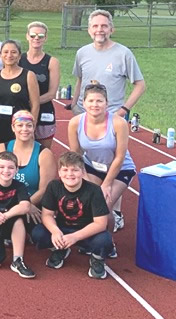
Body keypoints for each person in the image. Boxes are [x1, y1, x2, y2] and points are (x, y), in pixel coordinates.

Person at [68, 83, 136, 257]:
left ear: (107, 103)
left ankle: (108, 243)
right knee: (88, 204)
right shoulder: (75, 123)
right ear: (84, 102)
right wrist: (83, 177)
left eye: (99, 101)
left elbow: (120, 157)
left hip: (120, 168)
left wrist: (106, 184)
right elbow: (76, 154)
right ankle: (90, 240)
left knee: (104, 205)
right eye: (91, 101)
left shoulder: (119, 123)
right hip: (92, 166)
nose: (95, 105)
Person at [31, 151, 114, 280]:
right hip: (62, 228)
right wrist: (55, 231)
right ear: (59, 172)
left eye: (75, 170)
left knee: (105, 240)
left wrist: (75, 237)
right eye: (65, 170)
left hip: (87, 231)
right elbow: (47, 214)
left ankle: (97, 258)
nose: (69, 174)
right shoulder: (54, 186)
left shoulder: (94, 190)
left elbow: (101, 223)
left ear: (82, 172)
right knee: (38, 233)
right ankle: (59, 248)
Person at [69, 9, 145, 118]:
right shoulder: (82, 53)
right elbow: (80, 80)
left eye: (104, 26)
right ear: (89, 30)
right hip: (83, 115)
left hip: (111, 117)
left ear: (111, 29)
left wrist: (122, 111)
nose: (99, 30)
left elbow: (140, 85)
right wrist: (74, 105)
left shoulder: (123, 54)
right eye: (95, 26)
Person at [0, 110, 57, 229]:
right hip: (6, 202)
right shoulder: (2, 148)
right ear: (13, 127)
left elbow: (44, 189)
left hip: (33, 204)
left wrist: (26, 204)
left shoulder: (44, 154)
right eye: (20, 125)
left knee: (38, 234)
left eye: (29, 125)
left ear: (34, 128)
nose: (24, 129)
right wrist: (15, 208)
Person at [0, 40, 39, 145]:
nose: (9, 55)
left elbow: (35, 105)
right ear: (0, 55)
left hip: (20, 127)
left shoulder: (29, 75)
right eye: (5, 52)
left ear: (19, 56)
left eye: (13, 52)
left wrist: (31, 127)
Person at [19, 21, 60, 149]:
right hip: (21, 111)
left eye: (40, 36)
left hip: (44, 111)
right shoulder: (18, 59)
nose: (36, 38)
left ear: (45, 38)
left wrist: (31, 104)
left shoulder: (52, 62)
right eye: (33, 35)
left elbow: (51, 93)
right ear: (27, 36)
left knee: (43, 152)